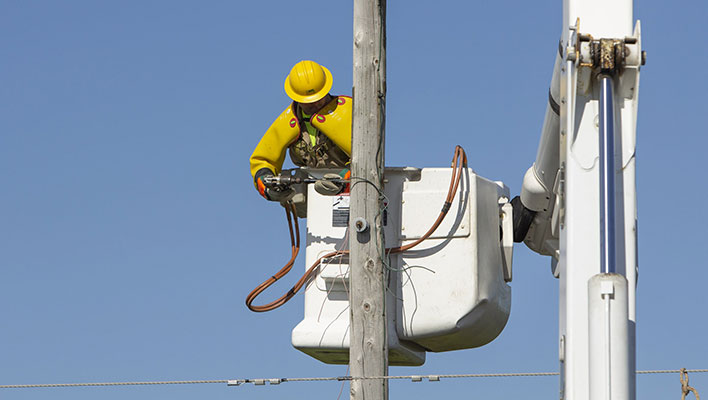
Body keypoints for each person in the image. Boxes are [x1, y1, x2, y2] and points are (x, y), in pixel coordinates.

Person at [249, 60, 352, 207]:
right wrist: (266, 184)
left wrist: (346, 178)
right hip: (314, 194)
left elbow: (368, 156)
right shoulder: (289, 121)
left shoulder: (348, 112)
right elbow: (263, 159)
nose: (314, 104)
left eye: (318, 99)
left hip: (353, 188)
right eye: (307, 101)